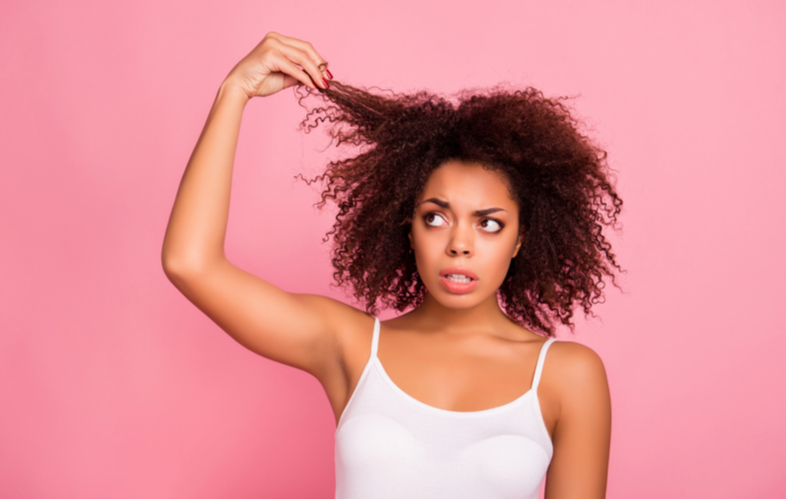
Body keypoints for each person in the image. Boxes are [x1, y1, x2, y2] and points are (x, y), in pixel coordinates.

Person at [162, 32, 620, 499]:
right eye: (436, 218)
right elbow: (189, 263)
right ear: (408, 228)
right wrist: (234, 91)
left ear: (521, 239)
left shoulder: (568, 375)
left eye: (488, 224)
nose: (460, 244)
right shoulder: (352, 347)